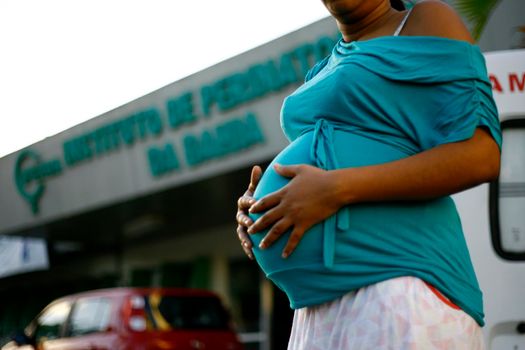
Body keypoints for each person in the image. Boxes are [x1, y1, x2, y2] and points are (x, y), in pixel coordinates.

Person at [235, 0, 501, 348]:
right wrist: (262, 209)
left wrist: (336, 188)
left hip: (400, 286)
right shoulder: (327, 64)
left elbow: (481, 156)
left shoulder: (422, 19)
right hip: (320, 309)